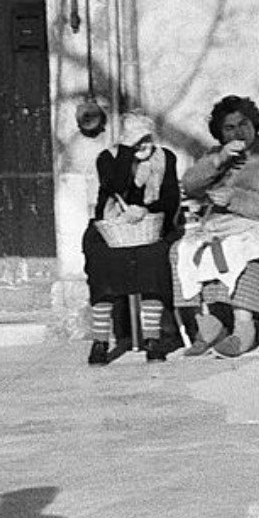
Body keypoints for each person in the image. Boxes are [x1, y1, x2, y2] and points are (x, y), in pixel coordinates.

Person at [174, 95, 259, 358]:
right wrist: (218, 160)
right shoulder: (216, 154)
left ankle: (244, 328)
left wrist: (234, 197)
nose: (238, 132)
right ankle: (210, 325)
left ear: (254, 124)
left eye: (243, 124)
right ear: (220, 132)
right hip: (221, 227)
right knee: (181, 250)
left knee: (237, 250)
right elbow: (189, 185)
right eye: (229, 128)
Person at [81, 111, 182, 365]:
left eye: (146, 138)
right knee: (101, 258)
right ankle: (100, 341)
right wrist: (126, 153)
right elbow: (115, 186)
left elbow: (171, 199)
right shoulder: (108, 158)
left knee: (153, 257)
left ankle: (153, 339)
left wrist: (146, 210)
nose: (142, 144)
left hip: (152, 225)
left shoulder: (165, 158)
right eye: (136, 139)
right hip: (111, 226)